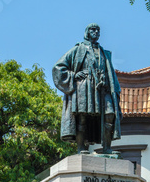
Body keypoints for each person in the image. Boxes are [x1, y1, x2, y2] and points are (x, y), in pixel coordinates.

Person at [52, 23, 121, 155]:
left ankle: (107, 147)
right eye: (93, 30)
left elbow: (110, 73)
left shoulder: (104, 52)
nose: (96, 32)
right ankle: (80, 148)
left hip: (102, 89)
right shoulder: (78, 49)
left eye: (98, 30)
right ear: (87, 32)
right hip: (84, 87)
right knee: (82, 118)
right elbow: (58, 67)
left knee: (109, 115)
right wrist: (73, 75)